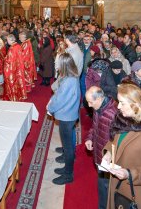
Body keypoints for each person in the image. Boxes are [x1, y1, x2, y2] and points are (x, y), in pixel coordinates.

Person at [47, 53, 81, 185]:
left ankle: (68, 174)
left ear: (64, 65)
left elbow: (60, 99)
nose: (56, 65)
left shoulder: (69, 81)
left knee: (67, 147)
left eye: (58, 63)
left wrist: (51, 108)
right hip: (69, 114)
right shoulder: (70, 76)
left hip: (67, 116)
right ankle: (67, 167)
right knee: (67, 145)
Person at [84, 86, 119, 209]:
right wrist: (89, 138)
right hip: (99, 154)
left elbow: (117, 140)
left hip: (109, 158)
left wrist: (109, 154)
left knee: (107, 187)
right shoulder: (98, 107)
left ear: (99, 98)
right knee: (102, 185)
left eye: (90, 102)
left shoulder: (113, 113)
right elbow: (94, 126)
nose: (88, 105)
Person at [3, 34, 27, 101]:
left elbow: (10, 61)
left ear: (11, 40)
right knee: (17, 82)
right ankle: (18, 95)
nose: (7, 41)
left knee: (12, 83)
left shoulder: (12, 48)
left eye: (7, 40)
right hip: (18, 68)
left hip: (12, 69)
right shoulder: (18, 45)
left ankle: (13, 97)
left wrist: (5, 59)